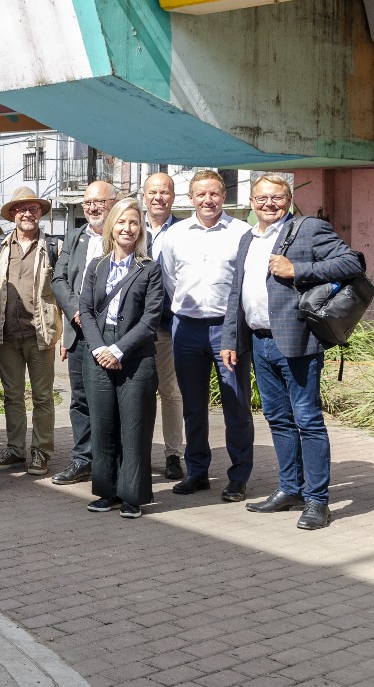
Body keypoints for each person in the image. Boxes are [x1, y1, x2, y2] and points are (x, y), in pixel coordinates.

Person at [220, 175, 362, 530]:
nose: (269, 204)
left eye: (277, 197)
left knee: (308, 421)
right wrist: (229, 338)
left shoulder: (309, 229)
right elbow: (236, 292)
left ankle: (317, 501)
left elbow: (352, 263)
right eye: (262, 198)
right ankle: (289, 489)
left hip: (298, 342)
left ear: (288, 198)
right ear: (252, 201)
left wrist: (299, 269)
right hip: (259, 340)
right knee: (278, 420)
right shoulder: (247, 239)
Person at [157, 170, 254, 502]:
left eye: (213, 194)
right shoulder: (175, 236)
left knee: (236, 404)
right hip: (186, 329)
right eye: (201, 195)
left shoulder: (243, 232)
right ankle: (197, 472)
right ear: (191, 198)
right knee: (193, 407)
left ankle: (239, 476)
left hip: (227, 330)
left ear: (223, 196)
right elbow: (169, 281)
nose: (207, 200)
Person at [79, 198, 164, 520]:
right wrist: (101, 348)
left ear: (140, 229)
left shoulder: (149, 269)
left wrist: (118, 350)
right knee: (103, 428)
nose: (127, 228)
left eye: (133, 223)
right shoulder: (96, 266)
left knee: (134, 429)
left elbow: (151, 317)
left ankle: (133, 495)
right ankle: (106, 491)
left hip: (135, 354)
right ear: (111, 226)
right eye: (122, 222)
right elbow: (85, 309)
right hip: (97, 351)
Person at [0, 187, 61, 477]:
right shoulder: (0, 246)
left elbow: (61, 292)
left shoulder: (53, 247)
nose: (27, 213)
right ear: (12, 214)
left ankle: (41, 452)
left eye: (32, 208)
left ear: (40, 213)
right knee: (12, 396)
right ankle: (16, 449)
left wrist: (64, 334)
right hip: (6, 334)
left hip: (40, 334)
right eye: (21, 209)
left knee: (43, 396)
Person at [51, 179, 117, 486]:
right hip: (78, 331)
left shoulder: (123, 236)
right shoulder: (74, 236)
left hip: (110, 334)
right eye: (87, 202)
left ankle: (111, 460)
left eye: (99, 202)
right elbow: (58, 278)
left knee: (110, 398)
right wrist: (76, 309)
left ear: (113, 203)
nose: (92, 207)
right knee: (79, 400)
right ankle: (83, 459)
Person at [142, 172, 186, 480]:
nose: (159, 197)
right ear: (143, 196)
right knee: (138, 391)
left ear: (173, 196)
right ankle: (138, 451)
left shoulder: (185, 230)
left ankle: (173, 454)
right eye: (153, 192)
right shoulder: (128, 224)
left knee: (170, 391)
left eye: (165, 192)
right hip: (133, 326)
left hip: (167, 325)